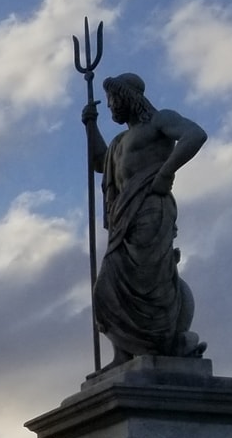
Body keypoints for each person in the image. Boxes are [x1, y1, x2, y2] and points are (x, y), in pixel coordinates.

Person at [81, 72, 208, 361]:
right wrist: (91, 126)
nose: (111, 106)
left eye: (113, 99)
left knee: (152, 278)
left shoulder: (159, 121)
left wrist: (166, 172)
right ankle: (125, 352)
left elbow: (195, 135)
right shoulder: (120, 140)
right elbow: (101, 163)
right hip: (123, 215)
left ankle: (166, 342)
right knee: (109, 285)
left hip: (151, 208)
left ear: (128, 97)